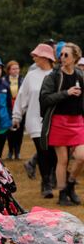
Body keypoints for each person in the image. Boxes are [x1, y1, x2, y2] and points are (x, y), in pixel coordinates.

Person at [40, 43, 84, 206]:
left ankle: (71, 184)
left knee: (81, 156)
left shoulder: (80, 75)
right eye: (61, 54)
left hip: (78, 121)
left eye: (66, 55)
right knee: (63, 160)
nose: (62, 58)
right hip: (59, 121)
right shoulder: (53, 76)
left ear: (75, 58)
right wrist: (66, 93)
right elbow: (45, 98)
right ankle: (62, 193)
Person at [12, 44, 58, 199]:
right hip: (34, 120)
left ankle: (50, 174)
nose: (33, 57)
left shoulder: (57, 74)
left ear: (45, 57)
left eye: (36, 55)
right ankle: (46, 184)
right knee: (43, 151)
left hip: (54, 120)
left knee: (53, 153)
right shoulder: (31, 76)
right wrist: (17, 116)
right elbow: (22, 96)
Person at [5, 60, 25, 160]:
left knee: (19, 131)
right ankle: (10, 151)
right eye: (13, 68)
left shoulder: (23, 80)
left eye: (17, 68)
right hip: (9, 107)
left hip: (20, 107)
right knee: (10, 132)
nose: (15, 70)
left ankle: (18, 152)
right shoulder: (4, 80)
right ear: (9, 70)